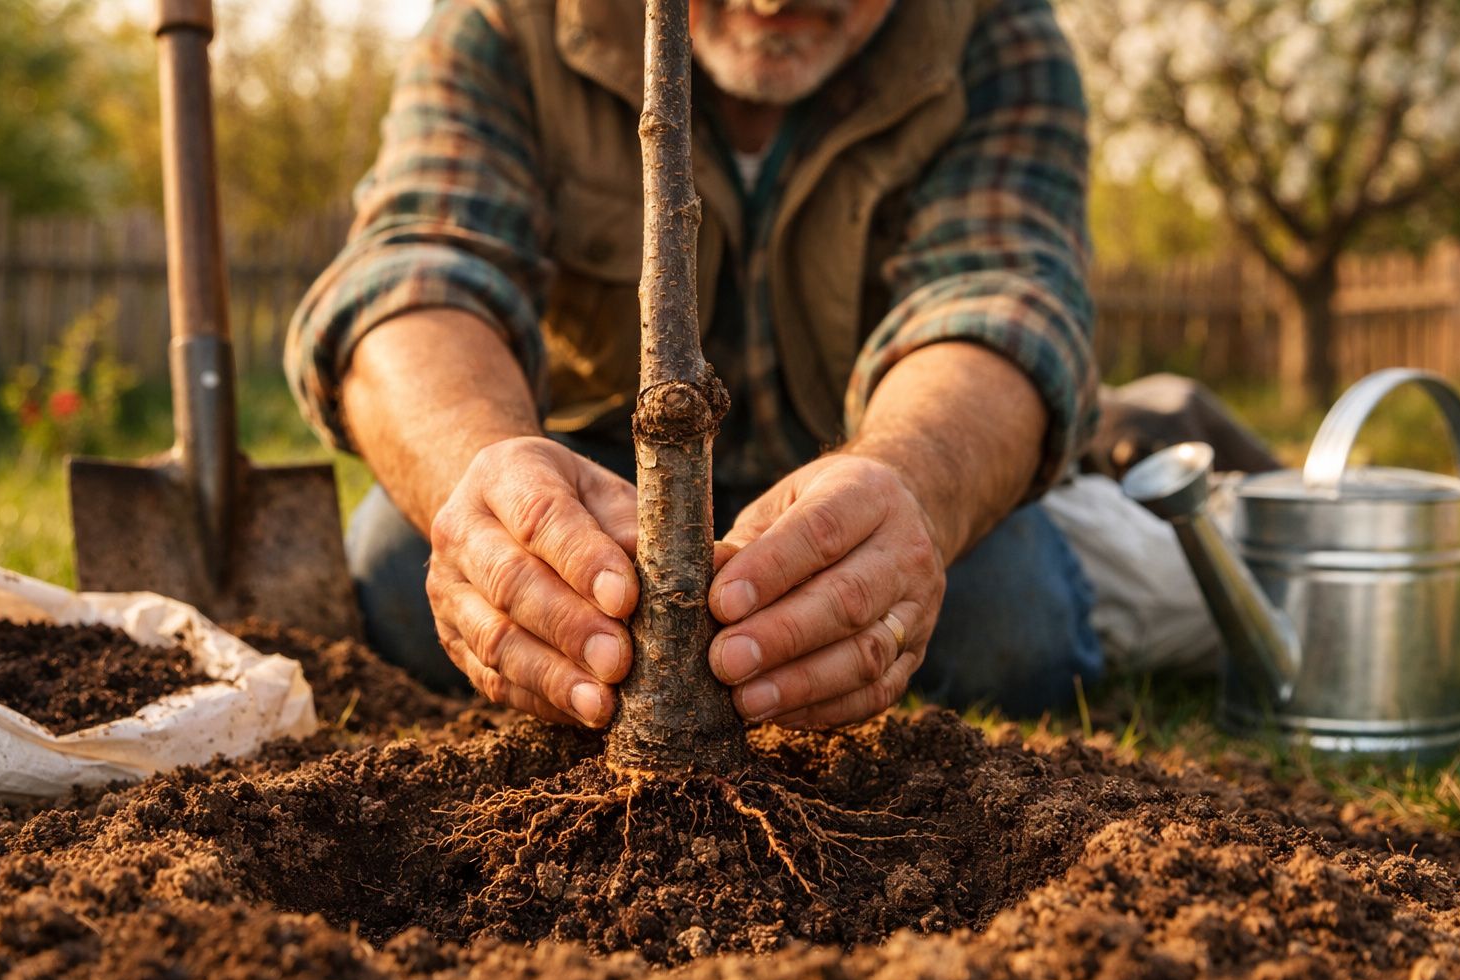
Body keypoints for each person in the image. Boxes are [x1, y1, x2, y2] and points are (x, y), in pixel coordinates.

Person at [288, 0, 1181, 731]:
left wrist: (914, 480)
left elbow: (998, 302)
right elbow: (416, 273)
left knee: (1007, 627)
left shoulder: (992, 33)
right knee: (404, 574)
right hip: (597, 474)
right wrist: (482, 471)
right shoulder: (511, 21)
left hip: (869, 464)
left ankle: (1158, 449)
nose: (768, 4)